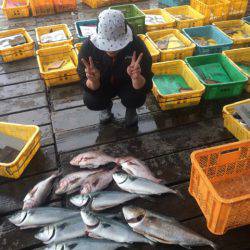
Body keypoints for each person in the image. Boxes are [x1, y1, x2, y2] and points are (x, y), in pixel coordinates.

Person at [77, 9, 153, 127]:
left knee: (136, 97)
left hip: (127, 85)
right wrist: (93, 81)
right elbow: (84, 80)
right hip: (103, 85)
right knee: (92, 100)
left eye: (117, 45)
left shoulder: (137, 44)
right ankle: (105, 107)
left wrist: (136, 78)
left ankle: (131, 109)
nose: (111, 50)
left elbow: (147, 84)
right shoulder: (88, 47)